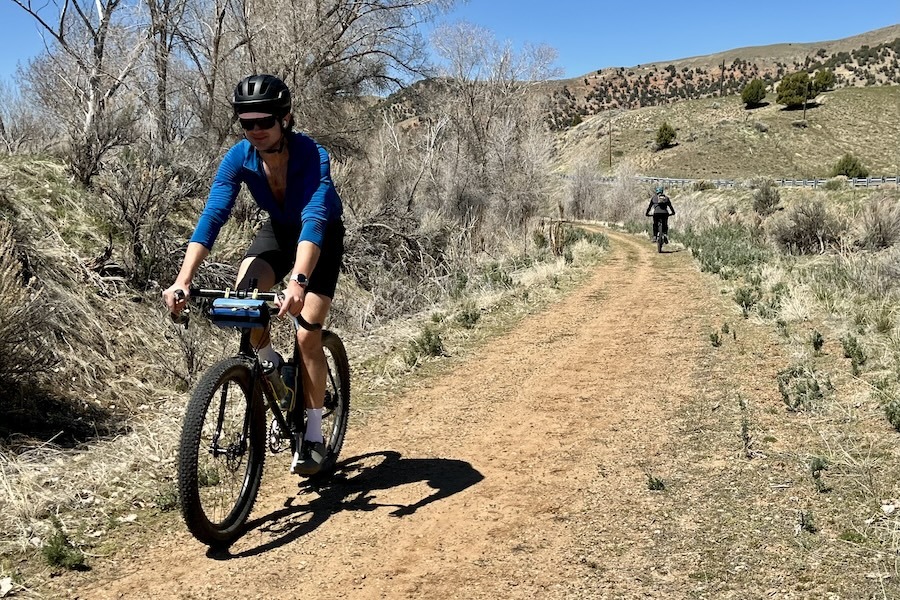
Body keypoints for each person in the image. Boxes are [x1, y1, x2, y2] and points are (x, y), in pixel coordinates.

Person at [162, 74, 345, 477]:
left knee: (306, 333)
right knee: (243, 302)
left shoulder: (313, 155)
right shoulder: (239, 158)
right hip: (279, 232)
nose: (257, 130)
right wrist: (183, 279)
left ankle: (313, 434)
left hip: (320, 238)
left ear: (286, 118)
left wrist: (298, 282)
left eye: (265, 121)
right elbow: (213, 216)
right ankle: (270, 364)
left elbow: (314, 219)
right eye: (248, 123)